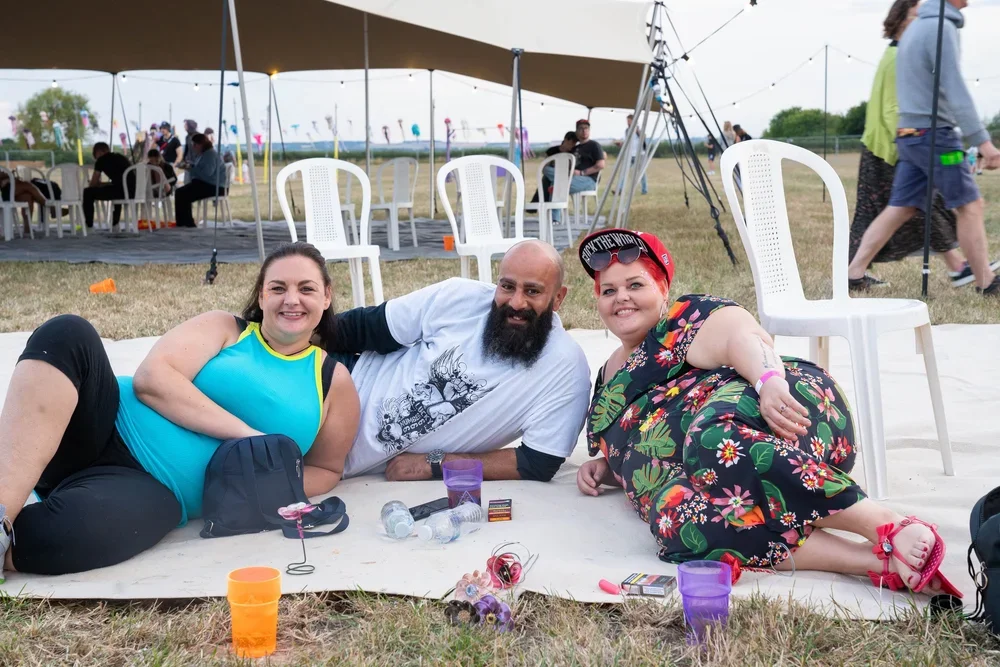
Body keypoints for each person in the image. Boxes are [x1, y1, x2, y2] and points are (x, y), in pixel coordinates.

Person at [575, 228, 961, 597]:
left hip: (784, 411)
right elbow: (644, 437)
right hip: (721, 476)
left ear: (662, 289)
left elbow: (738, 335)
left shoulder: (682, 319)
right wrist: (612, 468)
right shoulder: (608, 376)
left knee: (713, 438)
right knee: (679, 522)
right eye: (608, 290)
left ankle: (885, 525)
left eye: (635, 284)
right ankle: (875, 564)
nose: (621, 297)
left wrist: (769, 379)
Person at [0, 242, 360, 579]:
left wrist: (259, 488)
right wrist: (250, 438)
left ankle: (10, 540)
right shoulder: (226, 329)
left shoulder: (332, 381)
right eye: (278, 288)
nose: (291, 300)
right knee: (67, 333)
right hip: (102, 422)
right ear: (262, 295)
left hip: (154, 491)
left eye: (307, 289)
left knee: (80, 537)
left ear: (326, 296)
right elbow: (151, 379)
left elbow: (326, 469)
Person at [327, 240, 592, 483]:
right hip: (336, 383)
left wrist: (436, 463)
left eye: (532, 291)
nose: (516, 302)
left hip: (335, 454)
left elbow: (537, 462)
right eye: (507, 286)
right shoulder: (459, 296)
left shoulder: (566, 369)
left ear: (558, 298)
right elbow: (362, 328)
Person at [848, 0, 1000, 297]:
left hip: (911, 136)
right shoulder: (940, 27)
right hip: (936, 139)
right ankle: (986, 282)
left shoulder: (918, 28)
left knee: (901, 208)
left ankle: (853, 274)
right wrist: (982, 141)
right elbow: (953, 87)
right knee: (970, 205)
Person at [542, 119, 606, 223]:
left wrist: (582, 173)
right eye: (581, 129)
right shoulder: (575, 148)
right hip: (571, 178)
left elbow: (601, 164)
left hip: (588, 180)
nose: (584, 131)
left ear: (589, 131)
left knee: (557, 182)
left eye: (586, 128)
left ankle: (554, 218)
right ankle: (554, 218)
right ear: (577, 132)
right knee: (548, 171)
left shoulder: (594, 145)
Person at [174, 133, 227, 228]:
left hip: (215, 186)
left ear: (202, 144)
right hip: (208, 184)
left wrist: (191, 168)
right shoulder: (203, 154)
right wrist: (191, 166)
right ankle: (183, 222)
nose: (193, 147)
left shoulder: (210, 154)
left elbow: (207, 173)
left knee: (182, 194)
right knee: (180, 192)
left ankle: (187, 223)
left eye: (195, 145)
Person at [82, 142, 133, 230]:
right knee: (116, 191)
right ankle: (115, 224)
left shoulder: (101, 160)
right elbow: (120, 181)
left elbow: (93, 183)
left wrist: (94, 184)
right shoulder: (121, 157)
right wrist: (103, 185)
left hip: (120, 191)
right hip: (132, 191)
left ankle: (89, 225)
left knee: (88, 192)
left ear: (98, 152)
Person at [530, 132, 578, 204]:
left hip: (565, 175)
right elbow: (545, 166)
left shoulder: (573, 153)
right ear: (566, 140)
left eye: (575, 143)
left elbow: (572, 169)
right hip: (553, 174)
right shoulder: (552, 151)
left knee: (546, 179)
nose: (573, 145)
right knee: (547, 174)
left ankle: (541, 203)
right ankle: (548, 203)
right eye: (572, 142)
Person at [0, 171, 48, 236]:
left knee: (28, 197)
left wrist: (9, 177)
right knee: (27, 185)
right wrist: (9, 176)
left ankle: (27, 227)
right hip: (5, 192)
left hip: (10, 190)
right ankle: (49, 206)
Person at [615, 114, 648, 196]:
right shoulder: (627, 131)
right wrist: (621, 145)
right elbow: (628, 142)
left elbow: (643, 137)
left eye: (629, 121)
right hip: (630, 155)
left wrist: (637, 130)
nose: (628, 123)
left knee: (641, 173)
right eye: (627, 121)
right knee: (624, 172)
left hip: (639, 154)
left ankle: (644, 190)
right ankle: (620, 189)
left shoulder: (639, 129)